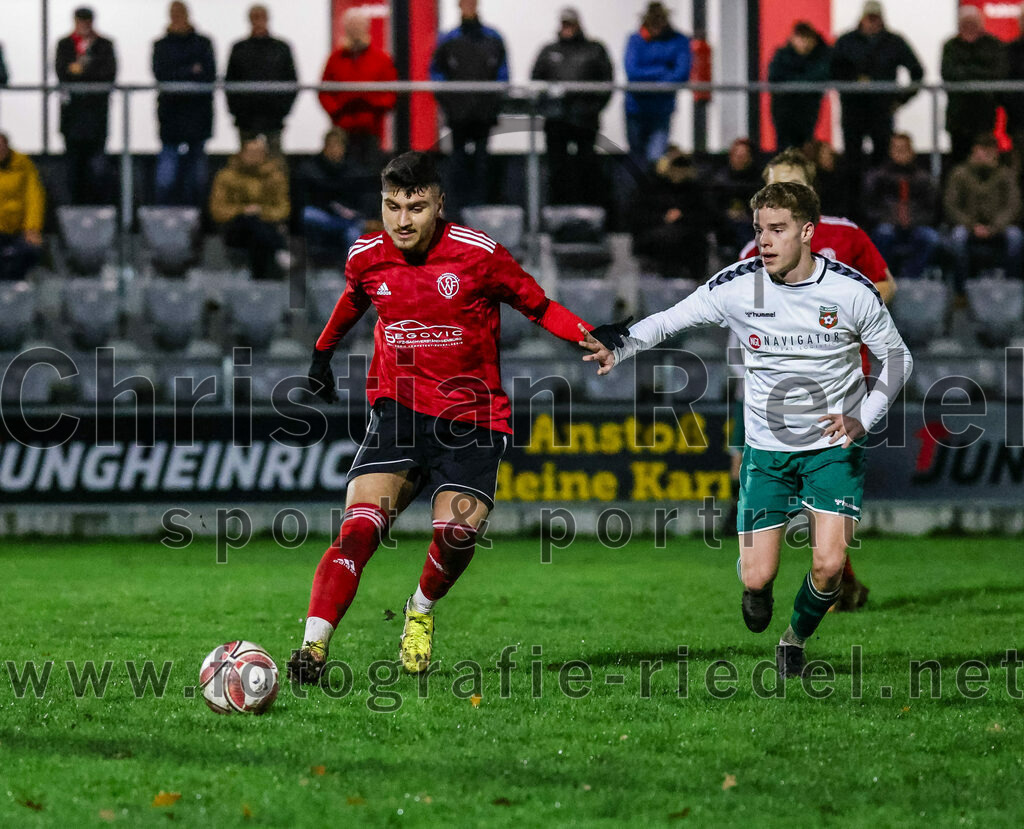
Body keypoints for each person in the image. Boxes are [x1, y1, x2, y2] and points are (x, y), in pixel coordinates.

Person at [580, 181, 913, 678]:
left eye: (778, 230)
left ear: (807, 232)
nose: (766, 241)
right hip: (767, 451)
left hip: (833, 448)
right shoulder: (739, 285)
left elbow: (898, 359)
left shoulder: (850, 291)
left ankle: (794, 640)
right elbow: (673, 319)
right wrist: (620, 345)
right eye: (759, 230)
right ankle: (755, 587)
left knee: (828, 567)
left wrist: (863, 417)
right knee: (759, 576)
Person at [288, 151, 593, 682]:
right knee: (358, 530)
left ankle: (421, 608)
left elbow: (537, 304)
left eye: (416, 207)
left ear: (438, 205)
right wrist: (321, 355)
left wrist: (586, 336)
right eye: (392, 206)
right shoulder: (366, 255)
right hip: (399, 411)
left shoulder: (478, 254)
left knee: (455, 536)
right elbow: (352, 301)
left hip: (471, 419)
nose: (403, 221)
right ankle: (312, 648)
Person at [736, 148, 896, 610]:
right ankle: (812, 580)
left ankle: (832, 577)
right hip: (778, 390)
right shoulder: (755, 250)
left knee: (826, 495)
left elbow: (886, 282)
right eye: (772, 184)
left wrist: (846, 305)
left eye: (792, 184)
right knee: (792, 493)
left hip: (841, 383)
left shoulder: (845, 235)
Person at [830, 1, 922, 194]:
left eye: (876, 18)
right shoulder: (846, 41)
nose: (872, 22)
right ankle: (854, 208)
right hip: (853, 110)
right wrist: (853, 82)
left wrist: (900, 99)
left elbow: (917, 72)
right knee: (852, 161)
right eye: (869, 18)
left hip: (881, 110)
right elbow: (833, 71)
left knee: (883, 161)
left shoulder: (894, 42)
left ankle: (879, 208)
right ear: (862, 18)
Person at [430, 0, 509, 209]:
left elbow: (503, 75)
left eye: (471, 3)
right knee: (458, 164)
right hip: (458, 117)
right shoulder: (448, 39)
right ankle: (458, 212)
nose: (468, 7)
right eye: (465, 3)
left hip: (484, 115)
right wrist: (449, 104)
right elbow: (436, 75)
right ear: (459, 6)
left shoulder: (493, 38)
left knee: (482, 164)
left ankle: (480, 212)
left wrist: (493, 104)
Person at [530, 7, 613, 206]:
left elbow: (607, 82)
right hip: (556, 121)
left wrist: (592, 108)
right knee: (557, 169)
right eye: (564, 24)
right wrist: (547, 109)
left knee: (587, 167)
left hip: (585, 120)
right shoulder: (549, 50)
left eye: (571, 24)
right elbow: (535, 81)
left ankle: (588, 215)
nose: (567, 28)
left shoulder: (594, 49)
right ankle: (557, 215)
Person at [152, 1, 215, 207]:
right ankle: (164, 222)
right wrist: (190, 70)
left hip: (198, 118)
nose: (177, 17)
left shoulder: (203, 43)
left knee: (197, 180)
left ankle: (196, 225)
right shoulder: (161, 45)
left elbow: (208, 74)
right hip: (171, 118)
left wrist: (178, 73)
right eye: (174, 14)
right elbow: (161, 75)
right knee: (166, 179)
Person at [318, 7, 398, 168]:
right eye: (351, 26)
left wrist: (373, 106)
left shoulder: (381, 59)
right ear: (345, 29)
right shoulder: (335, 59)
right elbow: (324, 91)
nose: (355, 31)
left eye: (358, 26)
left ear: (366, 28)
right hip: (342, 130)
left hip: (371, 130)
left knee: (370, 173)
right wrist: (337, 111)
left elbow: (392, 92)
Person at [944, 133, 1023, 292]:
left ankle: (1011, 289)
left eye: (988, 153)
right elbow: (951, 205)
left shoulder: (1006, 175)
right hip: (967, 226)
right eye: (980, 152)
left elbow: (1013, 205)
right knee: (957, 238)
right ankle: (961, 291)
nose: (984, 156)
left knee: (1016, 237)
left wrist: (994, 227)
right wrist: (972, 225)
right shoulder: (960, 174)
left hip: (998, 227)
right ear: (973, 152)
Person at [55, 7, 117, 205]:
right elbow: (62, 72)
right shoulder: (65, 45)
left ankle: (98, 211)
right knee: (73, 169)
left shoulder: (104, 45)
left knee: (98, 169)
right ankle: (74, 212)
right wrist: (86, 70)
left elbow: (108, 73)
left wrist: (80, 70)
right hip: (72, 119)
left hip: (97, 117)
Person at [208, 136, 290, 281]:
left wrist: (261, 211)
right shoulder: (226, 176)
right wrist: (243, 210)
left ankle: (259, 282)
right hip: (235, 228)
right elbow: (218, 210)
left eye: (258, 153)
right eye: (250, 152)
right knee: (250, 222)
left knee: (257, 230)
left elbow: (283, 208)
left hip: (266, 226)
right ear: (241, 154)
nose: (254, 157)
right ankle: (279, 249)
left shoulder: (275, 177)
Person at [623, 2, 691, 171]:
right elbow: (632, 72)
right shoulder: (636, 39)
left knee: (655, 157)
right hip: (636, 108)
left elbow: (681, 74)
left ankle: (652, 194)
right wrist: (662, 70)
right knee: (637, 157)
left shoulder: (679, 40)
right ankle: (637, 195)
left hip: (662, 109)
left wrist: (649, 77)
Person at [863, 133, 940, 279]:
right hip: (887, 224)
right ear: (890, 151)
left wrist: (912, 220)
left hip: (916, 225)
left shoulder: (924, 178)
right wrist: (891, 218)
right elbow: (869, 207)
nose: (900, 153)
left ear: (912, 151)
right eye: (896, 149)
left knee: (930, 238)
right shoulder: (878, 177)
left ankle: (909, 277)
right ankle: (884, 277)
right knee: (883, 234)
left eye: (904, 149)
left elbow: (932, 209)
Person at [225, 4, 298, 157]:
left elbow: (292, 81)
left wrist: (282, 110)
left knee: (275, 163)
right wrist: (237, 111)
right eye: (255, 17)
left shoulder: (281, 48)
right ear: (249, 20)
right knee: (247, 164)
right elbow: (229, 82)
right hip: (246, 118)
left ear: (267, 19)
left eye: (261, 17)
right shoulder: (239, 48)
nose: (258, 21)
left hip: (274, 117)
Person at [941, 5, 1008, 167]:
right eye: (965, 23)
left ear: (981, 24)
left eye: (972, 23)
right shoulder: (950, 46)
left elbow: (998, 73)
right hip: (958, 118)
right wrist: (979, 73)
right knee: (958, 163)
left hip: (984, 116)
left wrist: (967, 73)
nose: (969, 27)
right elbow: (948, 73)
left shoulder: (994, 45)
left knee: (986, 161)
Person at [631, 146, 709, 279]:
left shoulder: (694, 190)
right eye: (674, 165)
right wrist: (663, 218)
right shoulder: (649, 188)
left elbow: (706, 217)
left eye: (682, 165)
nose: (678, 170)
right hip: (654, 239)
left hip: (687, 240)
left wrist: (682, 216)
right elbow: (637, 217)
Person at [298, 128, 377, 259]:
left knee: (353, 235)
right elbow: (306, 199)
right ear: (324, 147)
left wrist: (354, 212)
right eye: (331, 145)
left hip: (350, 219)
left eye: (338, 145)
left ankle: (352, 272)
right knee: (308, 214)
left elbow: (365, 198)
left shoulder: (355, 170)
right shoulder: (310, 169)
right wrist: (331, 207)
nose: (334, 150)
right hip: (324, 216)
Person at [768, 22, 831, 152]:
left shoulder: (821, 56)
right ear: (792, 38)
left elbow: (821, 75)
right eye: (800, 38)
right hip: (784, 110)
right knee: (784, 148)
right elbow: (773, 78)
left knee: (805, 146)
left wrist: (791, 83)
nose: (804, 43)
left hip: (808, 110)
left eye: (807, 38)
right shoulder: (781, 55)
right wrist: (804, 82)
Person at [0, 133, 45, 282]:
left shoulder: (23, 165)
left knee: (29, 252)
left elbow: (33, 198)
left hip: (18, 231)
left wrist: (32, 228)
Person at [712, 138, 762, 260]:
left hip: (751, 227)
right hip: (723, 227)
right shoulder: (718, 180)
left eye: (743, 156)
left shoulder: (758, 182)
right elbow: (712, 207)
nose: (739, 159)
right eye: (736, 155)